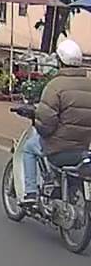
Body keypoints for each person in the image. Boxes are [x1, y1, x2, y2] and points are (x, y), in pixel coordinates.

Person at [14, 38, 91, 204]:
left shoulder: (55, 86)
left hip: (59, 150)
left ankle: (31, 193)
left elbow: (46, 125)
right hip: (83, 148)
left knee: (29, 148)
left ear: (59, 61)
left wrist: (37, 121)